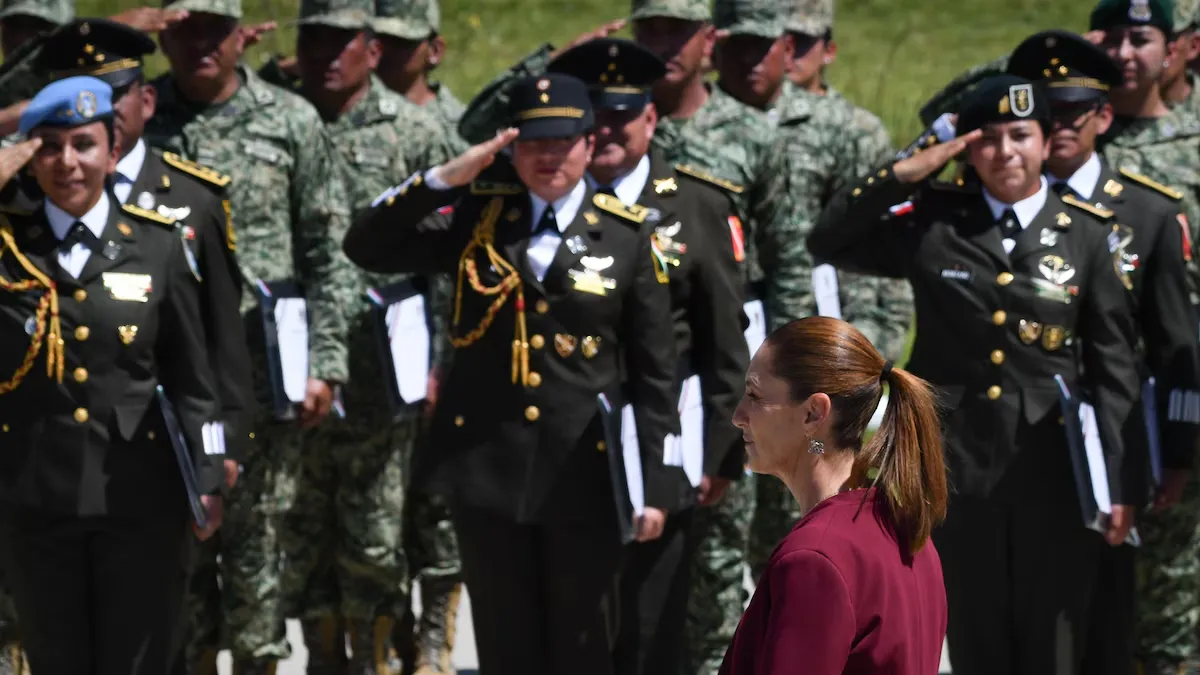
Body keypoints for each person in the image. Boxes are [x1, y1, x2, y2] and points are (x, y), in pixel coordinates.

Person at [344, 73, 684, 675]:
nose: (548, 157)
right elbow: (366, 245)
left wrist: (655, 484)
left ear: (587, 144)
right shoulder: (477, 219)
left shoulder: (628, 237)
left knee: (582, 643)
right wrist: (446, 179)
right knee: (506, 644)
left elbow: (656, 374)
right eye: (532, 143)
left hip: (586, 476)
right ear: (509, 148)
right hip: (489, 471)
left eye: (563, 142)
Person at [809, 74, 1143, 675]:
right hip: (956, 470)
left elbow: (1114, 368)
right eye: (988, 138)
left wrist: (1119, 481)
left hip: (1056, 476)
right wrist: (910, 167)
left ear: (1046, 143)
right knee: (974, 635)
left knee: (1054, 642)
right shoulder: (934, 221)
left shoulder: (1090, 235)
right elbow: (829, 236)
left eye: (1021, 135)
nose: (1006, 152)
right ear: (965, 148)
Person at [145, 1, 358, 672]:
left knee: (261, 546)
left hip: (266, 371)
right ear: (163, 33)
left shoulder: (290, 120)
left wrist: (327, 360)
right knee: (180, 549)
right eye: (185, 28)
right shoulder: (140, 123)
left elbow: (330, 247)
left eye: (216, 28)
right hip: (168, 374)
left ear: (243, 35)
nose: (201, 43)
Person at [0, 75, 225, 675]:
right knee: (56, 659)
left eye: (83, 144)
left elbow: (193, 378)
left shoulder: (158, 246)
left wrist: (209, 478)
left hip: (140, 497)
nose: (66, 163)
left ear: (114, 151)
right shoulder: (8, 246)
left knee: (140, 659)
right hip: (34, 497)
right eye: (48, 146)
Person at [547, 37, 750, 675]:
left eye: (622, 116)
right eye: (594, 118)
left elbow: (726, 340)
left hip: (666, 437)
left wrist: (723, 451)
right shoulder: (548, 201)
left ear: (651, 119)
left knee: (655, 619)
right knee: (574, 621)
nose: (607, 132)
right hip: (569, 438)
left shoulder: (697, 205)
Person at [1007, 29, 1200, 675]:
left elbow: (1176, 344)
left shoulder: (1147, 211)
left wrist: (1176, 453)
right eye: (1044, 109)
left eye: (1074, 112)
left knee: (1114, 619)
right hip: (1023, 445)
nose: (1058, 126)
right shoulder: (998, 207)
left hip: (1117, 443)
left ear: (1103, 117)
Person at [276, 1, 455, 672]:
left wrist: (443, 359)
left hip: (387, 373)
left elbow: (448, 261)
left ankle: (378, 659)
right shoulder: (285, 120)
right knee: (303, 533)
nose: (324, 55)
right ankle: (326, 660)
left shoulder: (414, 132)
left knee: (377, 540)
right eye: (312, 40)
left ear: (371, 50)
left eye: (339, 42)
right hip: (291, 368)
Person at [721, 316, 948, 675]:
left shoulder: (815, 558)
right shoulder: (905, 531)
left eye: (754, 396)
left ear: (813, 413)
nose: (738, 416)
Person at [369, 2, 469, 669]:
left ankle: (435, 636)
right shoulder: (353, 115)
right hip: (373, 334)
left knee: (434, 502)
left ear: (433, 49)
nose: (389, 54)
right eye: (380, 42)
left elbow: (459, 259)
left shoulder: (459, 127)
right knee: (376, 505)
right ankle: (386, 630)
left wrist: (444, 356)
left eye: (404, 44)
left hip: (435, 334)